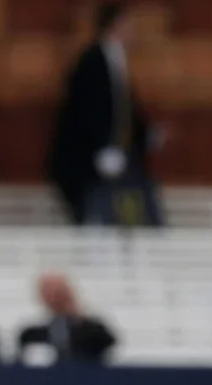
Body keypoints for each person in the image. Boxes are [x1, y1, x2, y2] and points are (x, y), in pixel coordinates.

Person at [47, 2, 162, 227]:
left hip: (120, 160)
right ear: (115, 25)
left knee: (141, 213)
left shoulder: (118, 61)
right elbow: (86, 110)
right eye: (128, 25)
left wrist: (146, 134)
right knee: (101, 219)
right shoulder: (92, 61)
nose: (133, 31)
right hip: (89, 165)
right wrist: (100, 150)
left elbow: (124, 110)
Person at [18, 273, 117, 365]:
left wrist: (74, 313)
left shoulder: (93, 331)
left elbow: (107, 344)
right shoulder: (32, 334)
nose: (55, 297)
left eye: (58, 292)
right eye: (49, 292)